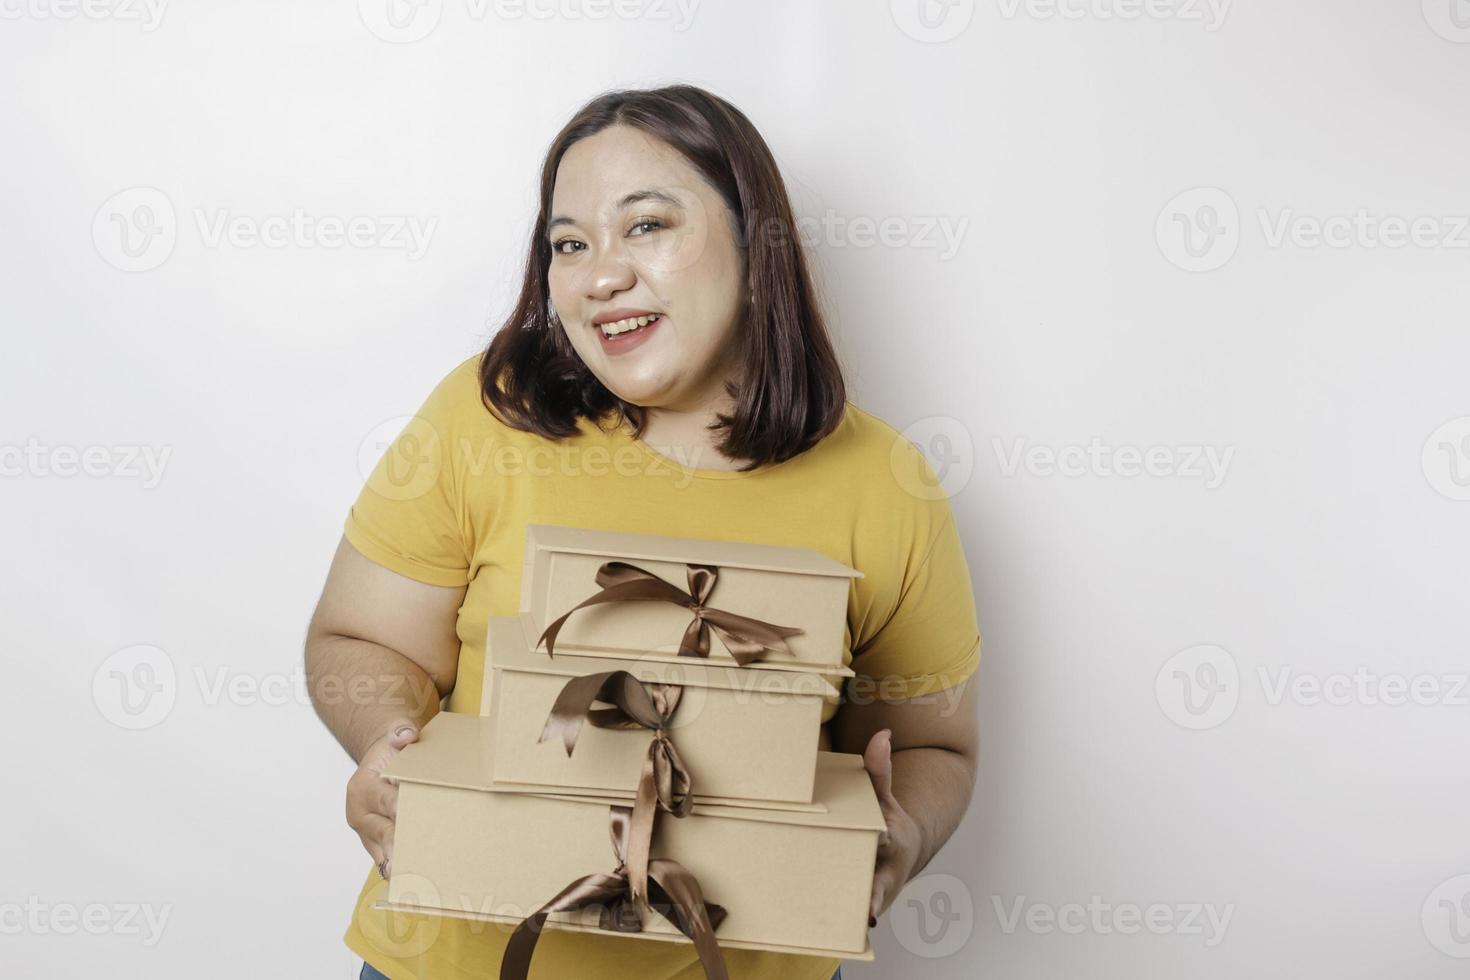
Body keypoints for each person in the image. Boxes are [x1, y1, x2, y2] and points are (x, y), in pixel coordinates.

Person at [305, 83, 982, 980]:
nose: (600, 274)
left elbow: (934, 742)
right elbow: (355, 638)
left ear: (755, 240)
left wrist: (904, 833)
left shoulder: (883, 482)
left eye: (647, 226)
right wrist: (389, 747)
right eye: (569, 244)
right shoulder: (488, 419)